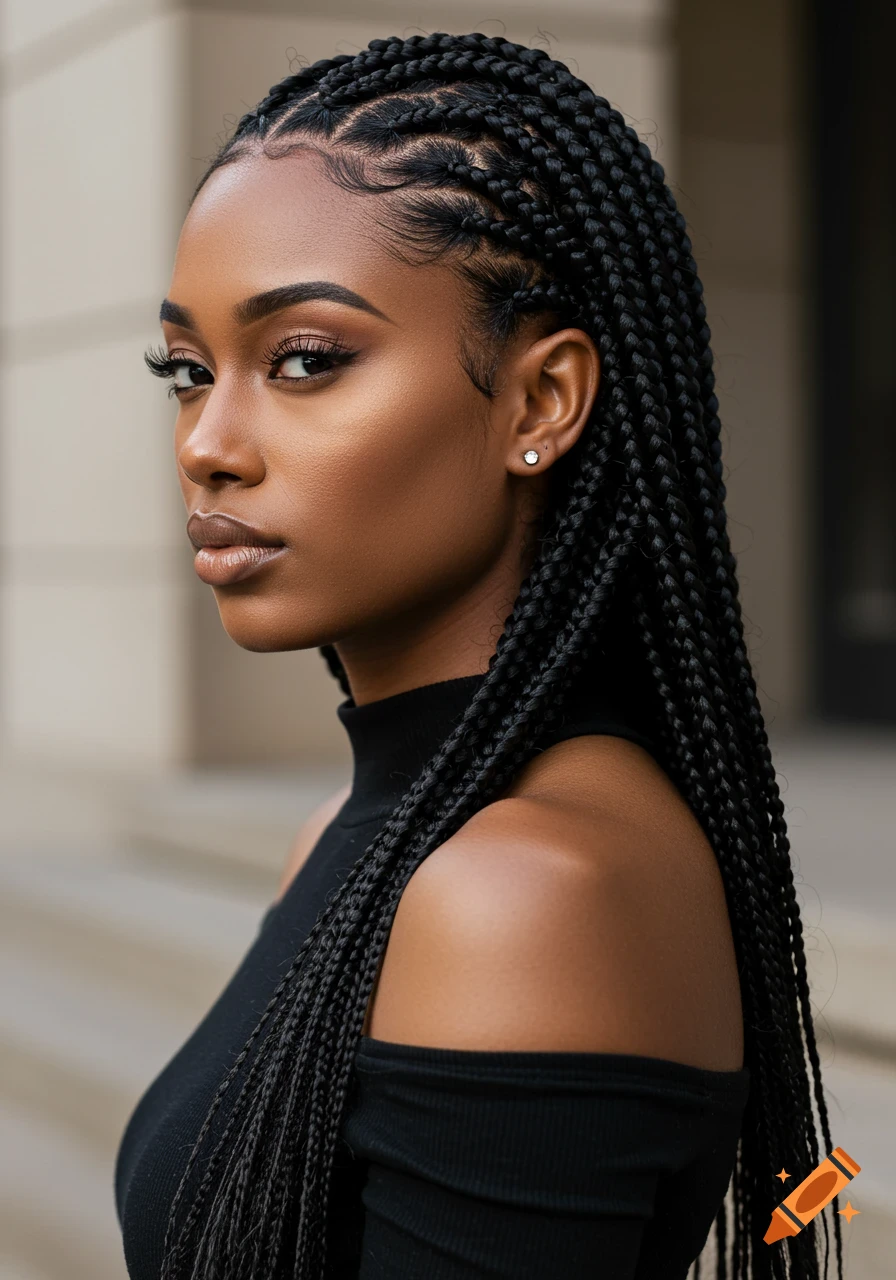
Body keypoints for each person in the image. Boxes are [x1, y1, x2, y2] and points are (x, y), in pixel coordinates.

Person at [113, 30, 843, 1280]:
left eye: (303, 359)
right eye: (186, 369)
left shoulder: (523, 890)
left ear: (538, 402)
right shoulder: (379, 834)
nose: (206, 442)